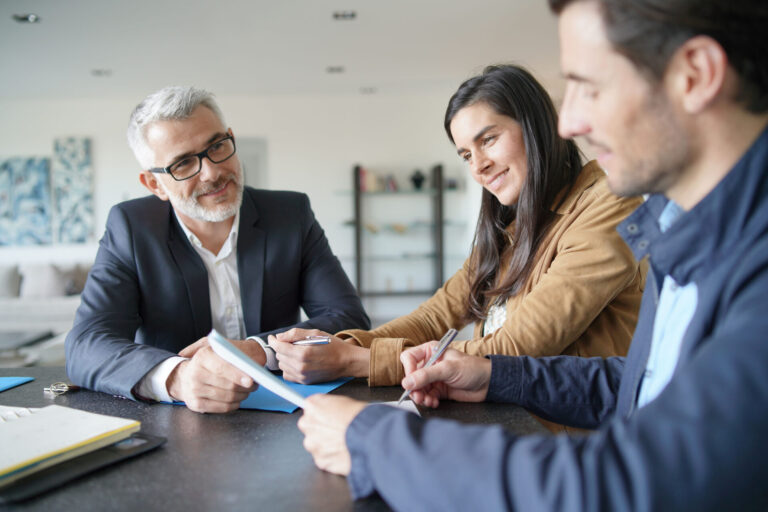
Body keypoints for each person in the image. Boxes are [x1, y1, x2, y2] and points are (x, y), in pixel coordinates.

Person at [297, 0, 768, 509]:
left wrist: (375, 441)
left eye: (591, 86)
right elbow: (636, 384)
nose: (569, 122)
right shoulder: (680, 229)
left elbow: (632, 481)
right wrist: (493, 374)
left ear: (695, 75)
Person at [270, 65, 645, 396]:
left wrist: (356, 361)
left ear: (536, 127)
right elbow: (433, 318)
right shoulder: (512, 228)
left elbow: (517, 348)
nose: (478, 166)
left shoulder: (609, 207)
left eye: (489, 140)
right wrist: (330, 345)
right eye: (466, 154)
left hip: (577, 446)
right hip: (516, 423)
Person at [65, 86, 369, 413]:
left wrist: (255, 349)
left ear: (231, 138)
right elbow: (86, 345)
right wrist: (178, 377)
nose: (212, 173)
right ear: (155, 185)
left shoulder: (291, 214)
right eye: (182, 164)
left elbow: (348, 319)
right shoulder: (131, 227)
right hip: (177, 422)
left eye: (217, 146)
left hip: (286, 418)